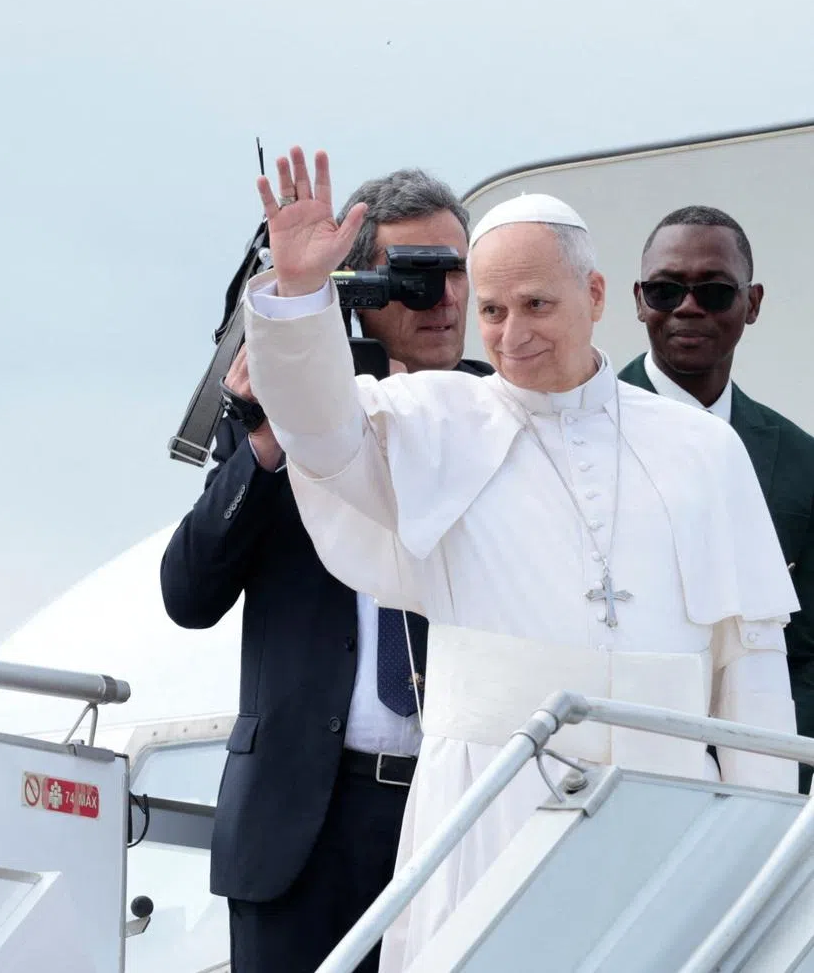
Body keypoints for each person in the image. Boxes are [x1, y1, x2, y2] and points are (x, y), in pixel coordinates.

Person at [242, 146, 799, 972]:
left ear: (597, 296)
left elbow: (749, 674)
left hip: (665, 804)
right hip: (488, 805)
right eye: (494, 310)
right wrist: (299, 296)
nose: (512, 335)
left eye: (537, 304)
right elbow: (320, 434)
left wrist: (768, 862)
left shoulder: (702, 452)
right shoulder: (434, 420)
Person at [160, 168, 491, 973]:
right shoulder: (288, 417)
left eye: (458, 272)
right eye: (415, 278)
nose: (445, 298)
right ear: (359, 288)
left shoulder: (500, 416)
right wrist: (275, 436)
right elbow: (189, 593)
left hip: (459, 803)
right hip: (305, 820)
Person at [620, 204, 814, 789]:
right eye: (665, 289)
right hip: (614, 767)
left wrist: (776, 770)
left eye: (715, 292)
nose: (687, 306)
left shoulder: (801, 462)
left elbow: (807, 652)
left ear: (752, 304)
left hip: (758, 785)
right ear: (637, 300)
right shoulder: (575, 428)